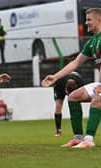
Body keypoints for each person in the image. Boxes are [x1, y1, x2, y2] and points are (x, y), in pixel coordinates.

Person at [41, 8, 101, 148]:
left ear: (99, 20)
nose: (86, 23)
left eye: (88, 20)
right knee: (74, 96)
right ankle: (78, 138)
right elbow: (76, 63)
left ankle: (89, 140)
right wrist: (55, 77)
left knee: (97, 100)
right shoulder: (92, 42)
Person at [53, 72, 84, 137]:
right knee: (58, 105)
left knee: (77, 104)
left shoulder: (80, 83)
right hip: (59, 87)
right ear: (66, 90)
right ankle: (58, 130)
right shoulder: (59, 82)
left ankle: (78, 129)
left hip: (77, 84)